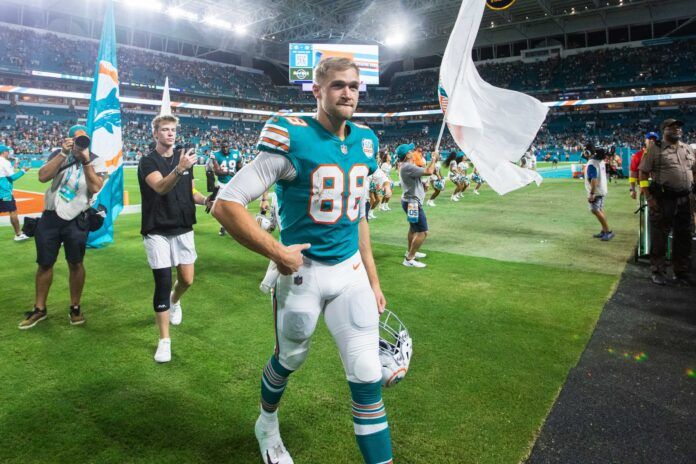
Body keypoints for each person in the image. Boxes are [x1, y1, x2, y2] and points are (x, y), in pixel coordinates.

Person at [212, 57, 394, 464]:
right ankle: (266, 422)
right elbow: (226, 204)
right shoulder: (291, 136)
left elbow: (359, 215)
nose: (348, 92)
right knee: (290, 357)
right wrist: (277, 252)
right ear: (317, 91)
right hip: (303, 274)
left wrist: (374, 280)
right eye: (337, 86)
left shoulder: (366, 140)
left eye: (354, 86)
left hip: (350, 274)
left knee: (367, 374)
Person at [138, 114, 213, 362]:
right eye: (165, 130)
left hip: (183, 228)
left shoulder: (184, 157)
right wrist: (180, 169)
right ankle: (164, 341)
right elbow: (160, 187)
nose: (170, 133)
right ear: (155, 134)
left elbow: (189, 190)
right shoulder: (147, 162)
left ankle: (175, 300)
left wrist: (206, 200)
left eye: (173, 130)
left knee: (187, 280)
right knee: (161, 282)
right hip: (157, 230)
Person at [18, 125, 107, 329]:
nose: (82, 143)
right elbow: (43, 177)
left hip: (77, 218)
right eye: (77, 139)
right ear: (69, 140)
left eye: (85, 139)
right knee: (44, 263)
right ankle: (39, 309)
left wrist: (86, 161)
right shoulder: (59, 154)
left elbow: (94, 188)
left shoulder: (96, 159)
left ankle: (75, 307)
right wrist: (64, 153)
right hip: (51, 215)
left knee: (76, 263)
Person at [638, 118, 696, 286]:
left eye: (679, 127)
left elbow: (694, 170)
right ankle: (658, 271)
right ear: (664, 130)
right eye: (672, 127)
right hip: (664, 199)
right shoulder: (654, 149)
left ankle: (681, 271)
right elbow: (643, 174)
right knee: (660, 236)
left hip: (686, 199)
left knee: (684, 236)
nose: (677, 129)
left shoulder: (688, 149)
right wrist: (648, 197)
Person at [397, 142, 439, 268]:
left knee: (413, 229)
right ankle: (409, 259)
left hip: (409, 201)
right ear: (407, 155)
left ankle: (410, 251)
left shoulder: (407, 166)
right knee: (423, 231)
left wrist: (422, 184)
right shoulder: (407, 167)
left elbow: (418, 177)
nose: (413, 151)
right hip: (412, 203)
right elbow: (429, 171)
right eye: (411, 150)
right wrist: (433, 159)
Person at [0, 145, 30, 241]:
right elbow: (12, 177)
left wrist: (14, 166)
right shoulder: (5, 162)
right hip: (4, 192)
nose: (9, 153)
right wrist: (23, 171)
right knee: (13, 211)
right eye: (8, 151)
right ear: (4, 152)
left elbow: (5, 174)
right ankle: (18, 234)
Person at [213, 140, 241, 236]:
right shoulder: (216, 154)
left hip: (234, 183)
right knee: (222, 207)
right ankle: (223, 226)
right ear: (220, 147)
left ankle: (239, 227)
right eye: (223, 147)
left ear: (229, 146)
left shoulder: (236, 153)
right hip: (222, 184)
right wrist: (228, 172)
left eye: (226, 147)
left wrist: (239, 176)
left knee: (239, 206)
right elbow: (216, 171)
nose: (225, 149)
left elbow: (239, 167)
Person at [585, 148, 614, 241]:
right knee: (599, 210)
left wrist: (592, 193)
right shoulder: (600, 162)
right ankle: (604, 230)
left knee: (595, 210)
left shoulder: (592, 163)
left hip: (597, 191)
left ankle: (607, 231)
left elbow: (593, 180)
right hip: (601, 189)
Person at [628, 132, 658, 200]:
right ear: (645, 141)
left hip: (658, 187)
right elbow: (633, 173)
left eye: (654, 139)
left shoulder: (661, 154)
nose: (652, 140)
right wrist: (632, 189)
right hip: (642, 187)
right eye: (649, 138)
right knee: (644, 209)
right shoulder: (638, 155)